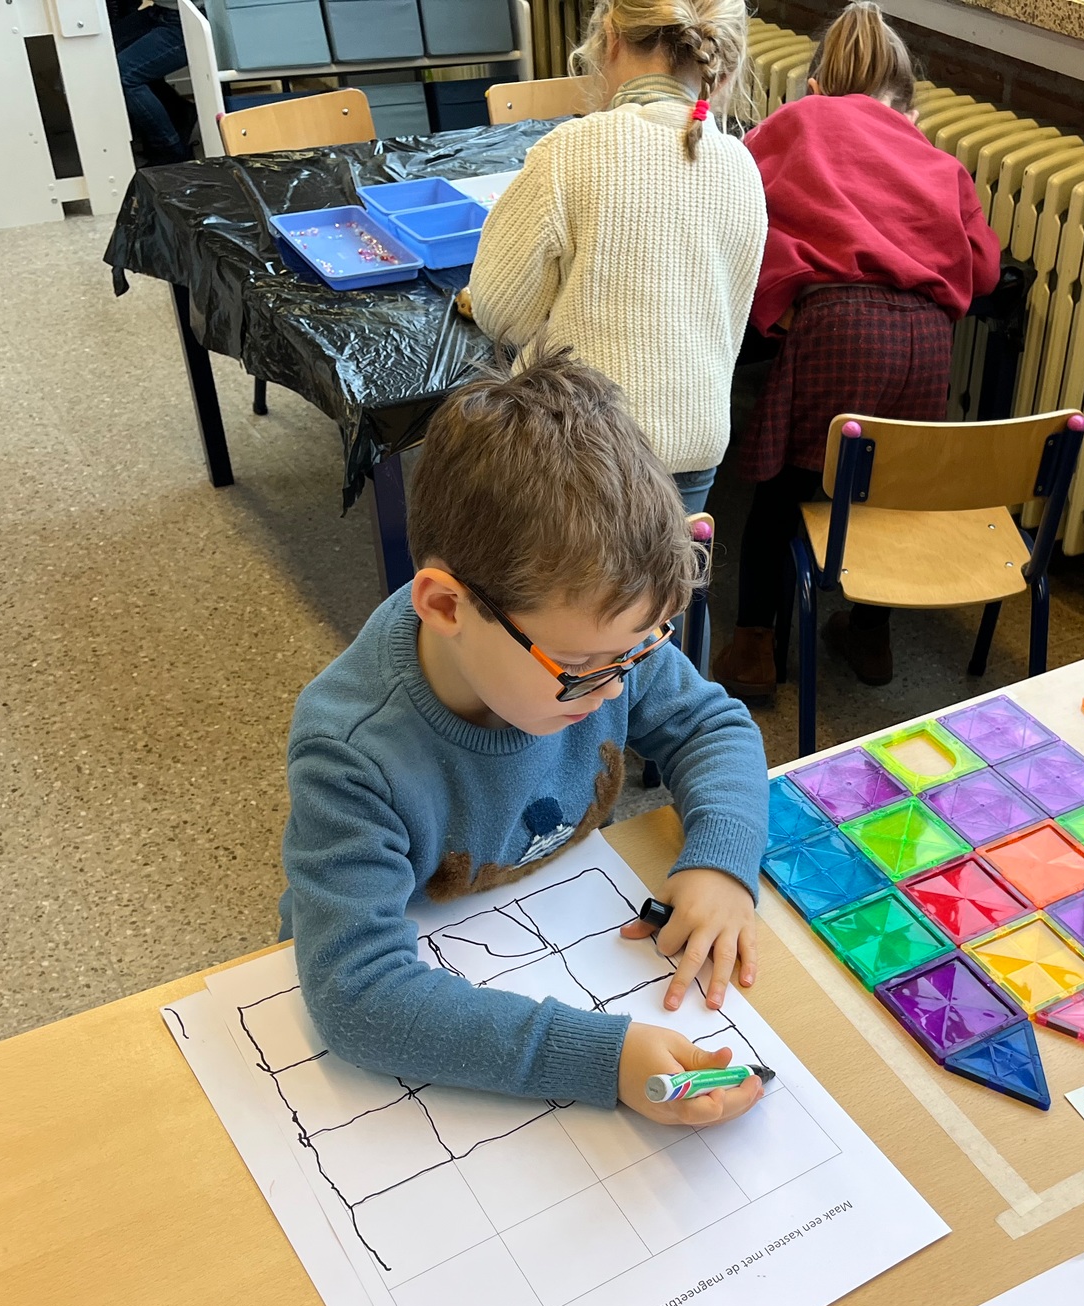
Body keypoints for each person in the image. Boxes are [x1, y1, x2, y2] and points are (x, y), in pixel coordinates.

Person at [280, 352, 769, 1127]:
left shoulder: (601, 635)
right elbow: (357, 994)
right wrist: (602, 1059)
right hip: (418, 981)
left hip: (561, 917)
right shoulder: (353, 751)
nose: (614, 688)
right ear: (446, 607)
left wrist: (720, 862)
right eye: (579, 668)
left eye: (638, 651)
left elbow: (714, 727)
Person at [712, 1, 1000, 700]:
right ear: (906, 104)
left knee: (782, 488)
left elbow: (734, 205)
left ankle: (754, 648)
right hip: (928, 336)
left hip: (838, 324)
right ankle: (871, 635)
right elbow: (986, 271)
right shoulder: (939, 162)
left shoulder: (796, 122)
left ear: (816, 86)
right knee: (886, 489)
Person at [465, 0, 766, 514]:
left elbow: (498, 311)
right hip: (694, 446)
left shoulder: (571, 150)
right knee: (673, 565)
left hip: (579, 447)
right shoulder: (743, 167)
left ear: (610, 35)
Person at [112, 0, 191, 167]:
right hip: (161, 11)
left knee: (122, 74)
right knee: (100, 47)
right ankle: (179, 114)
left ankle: (170, 151)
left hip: (188, 19)